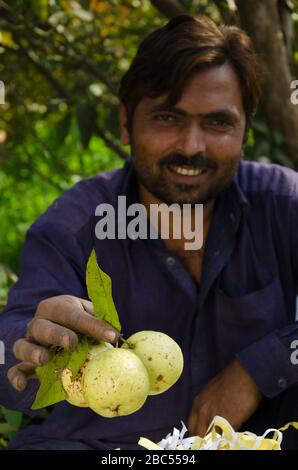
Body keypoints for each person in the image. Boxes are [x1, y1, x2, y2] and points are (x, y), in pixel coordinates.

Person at [0, 14, 297, 450]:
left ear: (245, 129)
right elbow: (10, 348)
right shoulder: (73, 226)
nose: (193, 145)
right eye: (167, 117)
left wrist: (262, 365)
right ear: (125, 123)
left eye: (217, 123)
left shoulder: (283, 205)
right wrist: (26, 345)